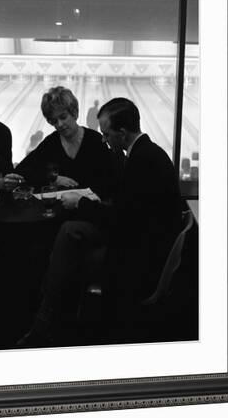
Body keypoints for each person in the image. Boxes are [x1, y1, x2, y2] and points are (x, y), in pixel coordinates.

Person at [18, 98, 183, 346]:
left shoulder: (142, 161)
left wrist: (81, 204)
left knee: (68, 243)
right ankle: (58, 313)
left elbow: (122, 222)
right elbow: (127, 210)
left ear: (123, 133)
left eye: (106, 134)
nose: (104, 140)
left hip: (140, 254)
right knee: (68, 233)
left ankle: (49, 321)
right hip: (141, 239)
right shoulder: (144, 153)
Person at [15, 87, 121, 199]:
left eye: (63, 117)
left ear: (74, 113)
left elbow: (109, 182)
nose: (59, 124)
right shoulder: (51, 143)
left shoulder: (95, 140)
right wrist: (54, 178)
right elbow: (22, 170)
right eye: (54, 121)